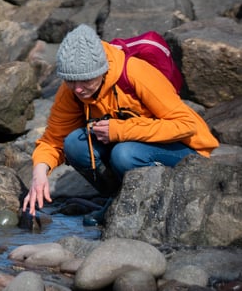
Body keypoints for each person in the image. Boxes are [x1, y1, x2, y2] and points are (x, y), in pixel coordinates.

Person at [22, 24, 219, 226]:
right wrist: (39, 174)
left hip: (185, 151)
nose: (78, 89)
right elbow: (53, 140)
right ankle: (117, 200)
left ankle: (157, 205)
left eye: (85, 80)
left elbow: (185, 125)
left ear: (102, 69)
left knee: (124, 154)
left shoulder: (135, 73)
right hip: (133, 145)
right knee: (74, 144)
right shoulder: (72, 90)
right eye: (71, 81)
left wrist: (121, 130)